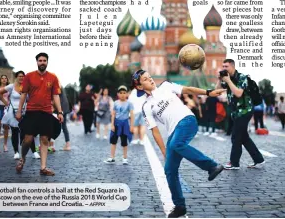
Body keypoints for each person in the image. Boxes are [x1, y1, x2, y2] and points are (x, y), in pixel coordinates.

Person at [132, 69, 225, 218]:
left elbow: (187, 89)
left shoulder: (166, 86)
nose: (150, 79)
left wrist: (208, 92)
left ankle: (212, 166)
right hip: (173, 132)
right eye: (145, 79)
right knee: (169, 169)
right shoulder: (146, 106)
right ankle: (180, 206)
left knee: (176, 144)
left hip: (187, 120)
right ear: (139, 87)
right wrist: (164, 152)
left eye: (149, 76)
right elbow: (155, 131)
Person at [15, 52, 64, 176]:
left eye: (44, 60)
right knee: (28, 139)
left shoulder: (53, 77)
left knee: (44, 139)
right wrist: (19, 111)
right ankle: (23, 158)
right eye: (40, 60)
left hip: (47, 112)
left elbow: (56, 95)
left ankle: (43, 168)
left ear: (47, 62)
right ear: (37, 62)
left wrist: (60, 112)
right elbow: (23, 95)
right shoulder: (29, 76)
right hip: (31, 111)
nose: (42, 62)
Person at [216, 59, 265, 170]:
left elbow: (238, 93)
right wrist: (219, 80)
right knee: (244, 137)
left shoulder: (242, 77)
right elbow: (217, 91)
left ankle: (234, 163)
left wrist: (228, 81)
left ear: (232, 67)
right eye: (223, 66)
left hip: (245, 110)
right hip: (235, 112)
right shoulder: (227, 78)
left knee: (236, 136)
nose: (224, 68)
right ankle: (259, 159)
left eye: (226, 66)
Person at [0, 71, 39, 159]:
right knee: (15, 131)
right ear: (16, 77)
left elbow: (31, 98)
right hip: (13, 111)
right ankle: (16, 152)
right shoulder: (11, 86)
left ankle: (34, 152)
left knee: (28, 131)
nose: (21, 78)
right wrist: (6, 103)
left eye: (23, 76)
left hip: (24, 111)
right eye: (19, 76)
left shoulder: (27, 86)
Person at [104, 86, 134, 164]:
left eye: (124, 93)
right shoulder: (116, 103)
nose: (122, 95)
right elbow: (113, 114)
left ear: (127, 94)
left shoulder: (129, 103)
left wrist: (131, 125)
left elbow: (132, 114)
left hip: (125, 124)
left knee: (124, 141)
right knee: (113, 141)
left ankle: (125, 158)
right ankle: (112, 157)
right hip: (116, 123)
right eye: (120, 93)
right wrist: (112, 125)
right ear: (118, 94)